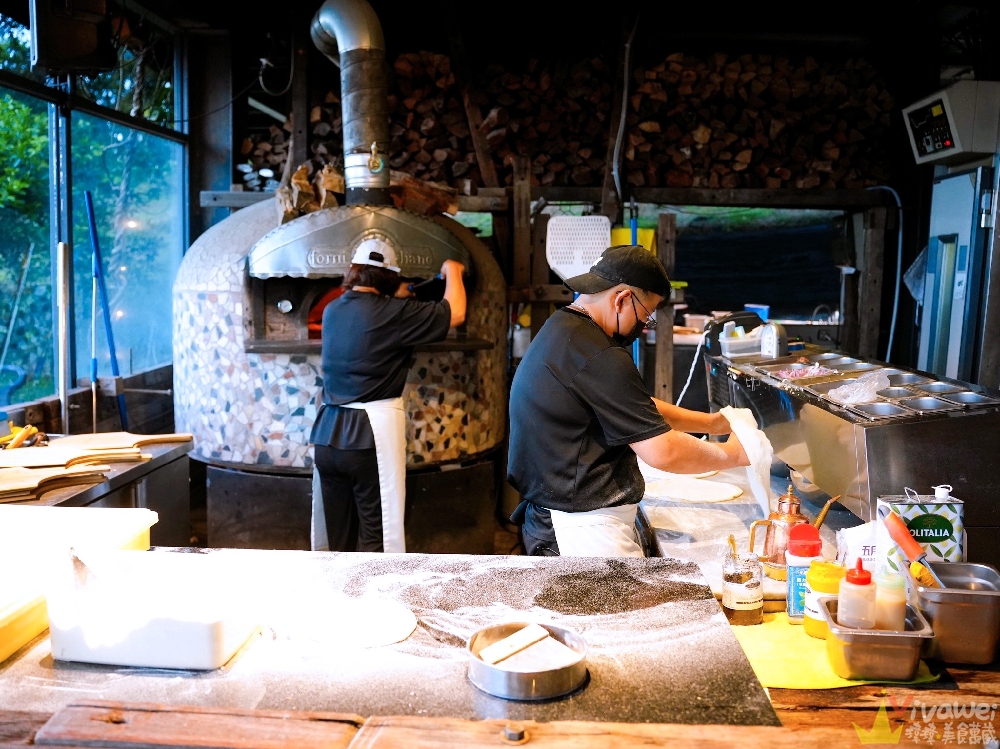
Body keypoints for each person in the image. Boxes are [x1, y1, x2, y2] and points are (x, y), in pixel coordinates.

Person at [507, 245, 755, 557]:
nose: (643, 326)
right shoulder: (599, 354)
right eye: (646, 315)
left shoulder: (564, 330)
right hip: (581, 530)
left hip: (554, 515)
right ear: (622, 298)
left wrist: (711, 422)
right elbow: (663, 452)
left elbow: (632, 404)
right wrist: (734, 454)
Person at [310, 239, 466, 552]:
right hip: (368, 439)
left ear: (355, 273)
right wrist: (453, 271)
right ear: (391, 278)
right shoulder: (396, 313)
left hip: (327, 436)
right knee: (376, 538)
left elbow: (371, 318)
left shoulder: (332, 310)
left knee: (338, 539)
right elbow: (456, 313)